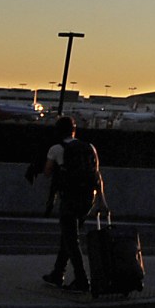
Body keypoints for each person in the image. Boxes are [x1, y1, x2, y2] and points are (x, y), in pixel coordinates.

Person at [39, 118, 101, 291]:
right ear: (74, 130)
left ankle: (82, 279)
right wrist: (102, 200)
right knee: (68, 237)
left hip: (70, 198)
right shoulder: (89, 147)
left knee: (71, 240)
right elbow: (97, 175)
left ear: (58, 131)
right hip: (88, 199)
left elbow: (47, 172)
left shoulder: (57, 149)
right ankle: (57, 273)